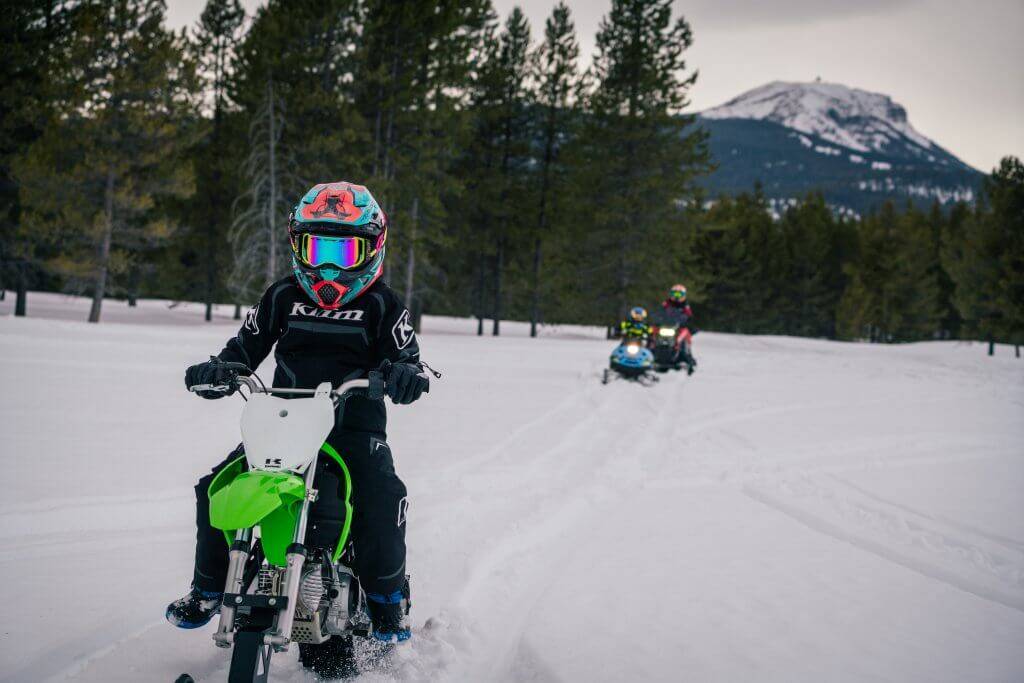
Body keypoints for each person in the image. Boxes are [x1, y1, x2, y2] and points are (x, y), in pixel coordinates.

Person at [166, 181, 429, 648]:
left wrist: (405, 374)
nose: (329, 264)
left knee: (383, 497)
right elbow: (244, 346)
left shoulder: (382, 306)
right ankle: (208, 588)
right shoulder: (281, 297)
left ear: (371, 250)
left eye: (344, 251)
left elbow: (408, 356)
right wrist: (222, 369)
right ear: (298, 246)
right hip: (284, 425)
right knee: (216, 486)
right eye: (318, 248)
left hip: (354, 426)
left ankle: (387, 598)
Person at [661, 284, 698, 372]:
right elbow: (659, 312)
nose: (677, 297)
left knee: (684, 335)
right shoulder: (666, 303)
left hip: (679, 326)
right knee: (653, 332)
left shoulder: (685, 305)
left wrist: (688, 323)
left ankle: (686, 354)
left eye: (679, 295)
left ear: (683, 295)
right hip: (666, 325)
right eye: (675, 294)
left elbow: (689, 316)